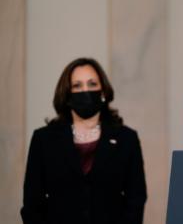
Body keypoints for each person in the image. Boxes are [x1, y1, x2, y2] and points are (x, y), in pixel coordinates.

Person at [21, 58, 147, 224]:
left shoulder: (126, 139)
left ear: (103, 92)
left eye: (92, 84)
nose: (85, 91)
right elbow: (32, 203)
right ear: (67, 94)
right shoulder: (43, 140)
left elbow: (136, 199)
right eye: (77, 86)